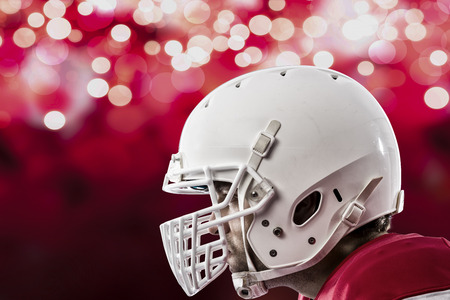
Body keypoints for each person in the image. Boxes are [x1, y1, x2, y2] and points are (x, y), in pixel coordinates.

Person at [159, 66, 450, 299]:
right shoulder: (351, 287)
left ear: (307, 204)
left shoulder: (409, 290)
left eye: (232, 196)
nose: (214, 224)